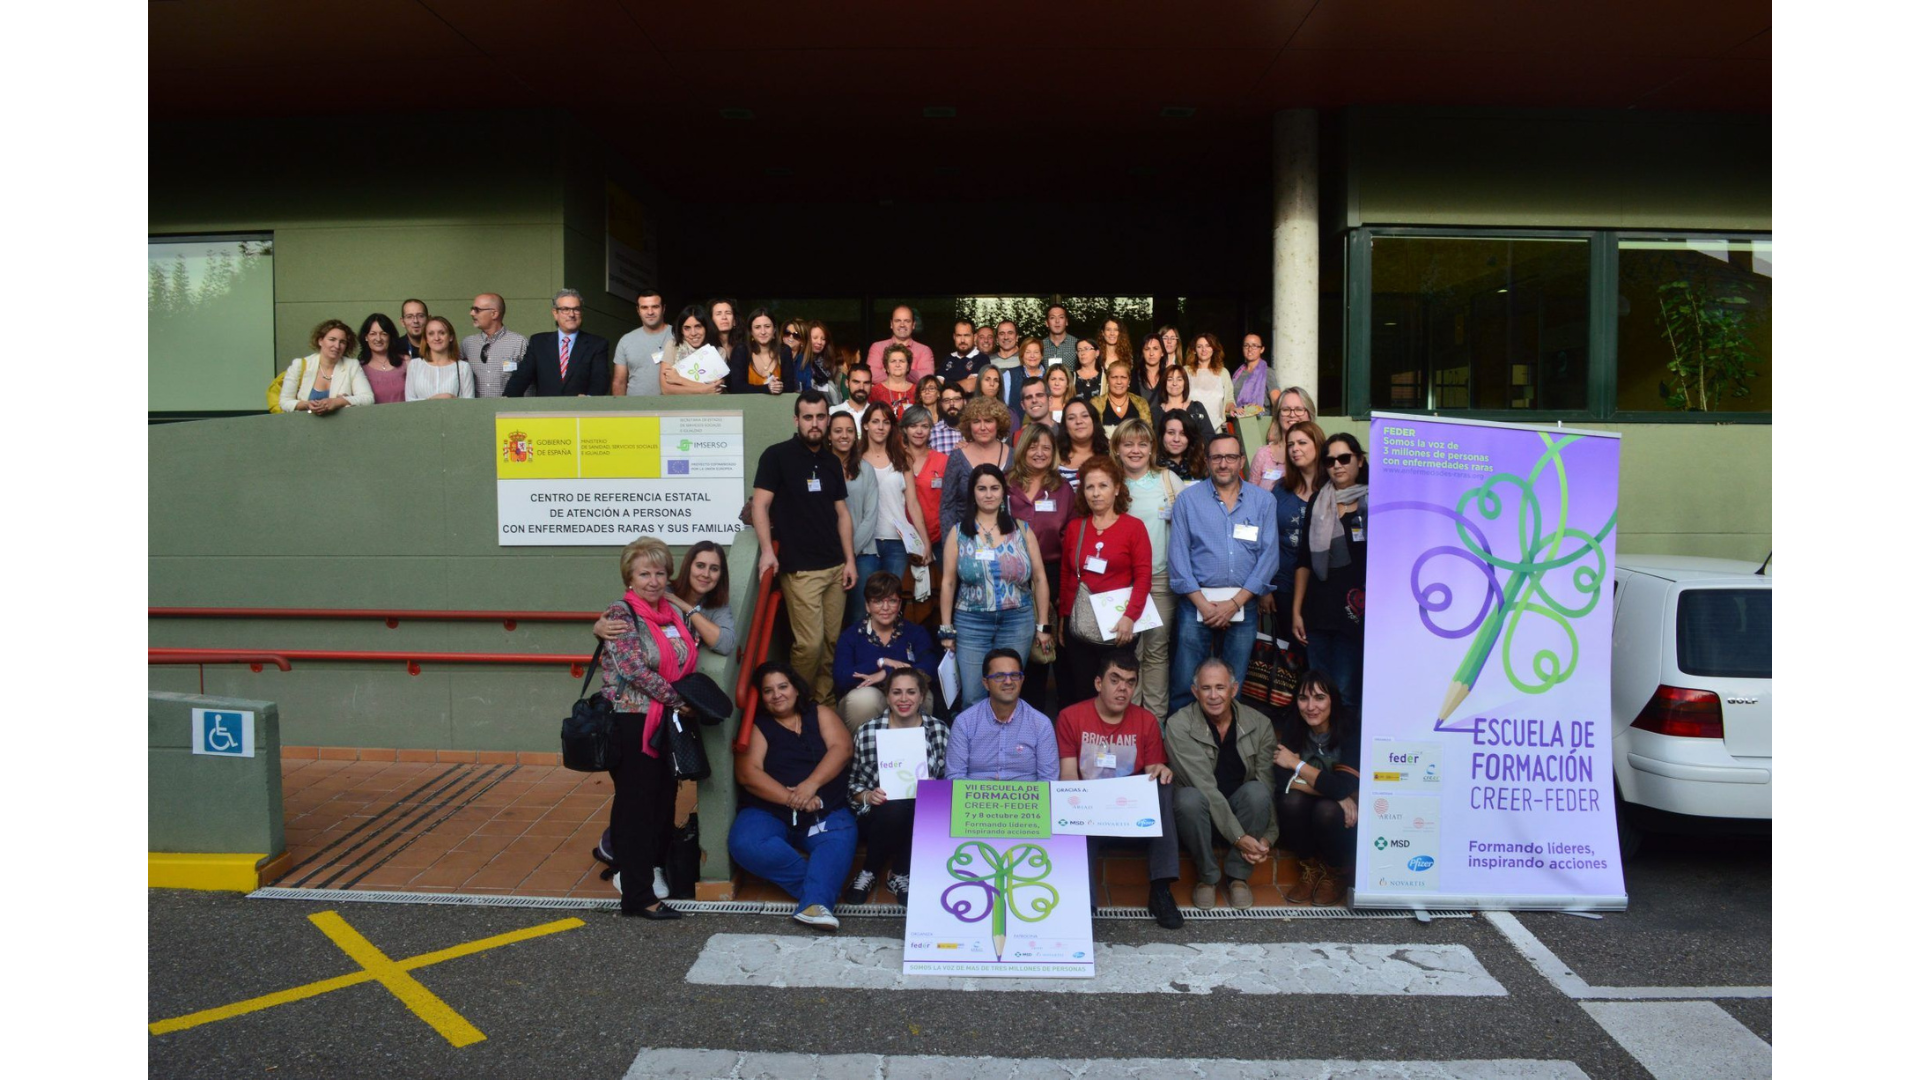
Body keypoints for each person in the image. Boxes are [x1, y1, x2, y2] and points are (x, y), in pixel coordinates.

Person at [598, 536, 698, 920]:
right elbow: (633, 670)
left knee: (661, 802)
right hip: (632, 723)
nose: (653, 580)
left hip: (664, 724)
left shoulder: (672, 616)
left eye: (659, 572)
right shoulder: (620, 615)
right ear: (630, 576)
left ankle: (648, 884)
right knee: (636, 809)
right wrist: (679, 700)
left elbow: (687, 656)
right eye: (645, 573)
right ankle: (637, 896)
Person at [1054, 652, 1183, 928]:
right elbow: (1067, 775)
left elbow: (1151, 771)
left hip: (1129, 816)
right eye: (1115, 680)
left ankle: (1161, 890)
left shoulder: (1146, 721)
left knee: (1163, 787)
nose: (1122, 688)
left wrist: (1161, 771)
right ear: (1099, 683)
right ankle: (1082, 903)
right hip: (1089, 816)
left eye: (1130, 682)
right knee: (1071, 806)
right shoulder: (1070, 717)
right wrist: (1085, 810)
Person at [729, 661, 857, 931]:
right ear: (761, 697)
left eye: (783, 686)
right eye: (768, 690)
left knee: (840, 839)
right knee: (746, 843)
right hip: (769, 810)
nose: (777, 695)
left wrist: (810, 785)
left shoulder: (819, 713)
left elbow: (842, 748)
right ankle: (819, 895)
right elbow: (748, 773)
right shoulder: (758, 725)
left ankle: (815, 900)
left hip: (824, 807)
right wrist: (793, 799)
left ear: (796, 689)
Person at [751, 391, 858, 705]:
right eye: (808, 417)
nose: (815, 424)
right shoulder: (776, 456)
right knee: (808, 646)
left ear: (827, 419)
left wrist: (849, 560)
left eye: (820, 417)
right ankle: (794, 704)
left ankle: (821, 704)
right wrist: (767, 552)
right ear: (797, 420)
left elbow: (842, 514)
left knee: (831, 644)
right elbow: (760, 506)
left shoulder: (830, 461)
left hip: (836, 567)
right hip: (800, 570)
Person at [1167, 431, 1280, 713]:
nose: (1224, 464)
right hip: (1196, 605)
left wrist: (1234, 604)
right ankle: (1183, 746)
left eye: (1230, 457)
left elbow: (1269, 558)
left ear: (1242, 460)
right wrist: (1205, 607)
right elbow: (1179, 561)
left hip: (1243, 605)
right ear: (1206, 462)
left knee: (1234, 684)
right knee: (1186, 682)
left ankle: (1225, 747)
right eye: (1216, 457)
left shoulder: (1263, 502)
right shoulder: (1187, 501)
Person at [1166, 658, 1277, 910]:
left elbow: (1267, 786)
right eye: (1206, 688)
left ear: (1234, 689)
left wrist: (1266, 839)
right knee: (1188, 799)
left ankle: (1238, 877)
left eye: (1220, 687)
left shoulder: (1259, 724)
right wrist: (1239, 837)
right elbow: (1204, 787)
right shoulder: (1179, 725)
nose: (1213, 695)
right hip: (1200, 819)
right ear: (1195, 692)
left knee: (1258, 793)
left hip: (1241, 816)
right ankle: (1207, 877)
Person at [939, 465, 1052, 708]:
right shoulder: (958, 533)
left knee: (1008, 693)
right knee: (973, 697)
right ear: (973, 493)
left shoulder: (1021, 529)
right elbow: (948, 582)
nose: (988, 494)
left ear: (1003, 493)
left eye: (994, 488)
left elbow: (1040, 578)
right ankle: (977, 745)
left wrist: (1043, 626)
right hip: (971, 623)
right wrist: (946, 629)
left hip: (1017, 621)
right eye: (982, 488)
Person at [845, 666, 950, 907]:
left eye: (911, 692)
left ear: (922, 696)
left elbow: (949, 782)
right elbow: (853, 785)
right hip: (877, 815)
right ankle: (873, 870)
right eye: (897, 692)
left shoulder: (939, 731)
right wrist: (868, 795)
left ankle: (899, 872)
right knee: (894, 805)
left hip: (923, 813)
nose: (904, 699)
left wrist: (936, 789)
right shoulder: (868, 731)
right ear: (887, 697)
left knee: (919, 802)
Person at [1056, 455, 1151, 711]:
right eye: (1090, 487)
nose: (1096, 493)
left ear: (1117, 488)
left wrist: (1130, 617)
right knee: (1083, 691)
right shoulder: (1077, 527)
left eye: (1103, 486)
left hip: (1119, 626)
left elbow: (1143, 577)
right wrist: (1065, 617)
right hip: (1080, 626)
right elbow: (1067, 573)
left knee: (1116, 693)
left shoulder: (1134, 527)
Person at [1291, 432, 1368, 718]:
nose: (1337, 465)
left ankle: (1344, 762)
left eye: (1344, 458)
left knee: (1346, 695)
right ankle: (1320, 758)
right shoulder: (1318, 502)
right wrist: (1297, 611)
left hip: (1357, 613)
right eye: (1330, 460)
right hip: (1319, 611)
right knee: (1318, 694)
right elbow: (1304, 561)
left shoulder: (1377, 503)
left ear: (1359, 460)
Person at [1111, 418, 1182, 719]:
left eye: (1142, 444)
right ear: (1117, 448)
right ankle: (1128, 720)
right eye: (1128, 444)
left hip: (1160, 579)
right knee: (1127, 655)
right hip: (1122, 584)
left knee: (1155, 653)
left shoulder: (1168, 480)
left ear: (1152, 448)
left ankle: (1153, 724)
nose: (1135, 450)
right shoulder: (1111, 482)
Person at [1272, 670, 1361, 905]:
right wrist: (1338, 793)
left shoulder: (1350, 728)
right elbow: (1281, 781)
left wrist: (1297, 764)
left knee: (1327, 810)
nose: (1310, 707)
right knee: (1290, 801)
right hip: (1318, 804)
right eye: (1303, 698)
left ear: (1333, 699)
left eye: (1319, 698)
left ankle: (1335, 871)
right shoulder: (1295, 725)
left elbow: (1346, 785)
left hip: (1344, 818)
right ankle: (1310, 868)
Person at [1004, 423, 1074, 709]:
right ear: (1023, 449)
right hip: (1016, 576)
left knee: (1058, 652)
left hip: (1055, 575)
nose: (1040, 452)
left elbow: (1070, 537)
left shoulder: (1063, 488)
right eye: (1034, 446)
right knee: (1027, 653)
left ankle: (1064, 723)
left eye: (1046, 447)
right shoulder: (1007, 484)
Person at [833, 571, 938, 732]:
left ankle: (910, 755)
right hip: (862, 705)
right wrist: (880, 662)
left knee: (923, 695)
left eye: (892, 601)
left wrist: (886, 673)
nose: (886, 608)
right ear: (867, 605)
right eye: (878, 601)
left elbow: (930, 668)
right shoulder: (851, 636)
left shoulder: (915, 632)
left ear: (900, 603)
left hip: (902, 696)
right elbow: (842, 677)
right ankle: (866, 753)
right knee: (865, 699)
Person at [853, 403, 933, 609]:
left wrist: (925, 542)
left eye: (886, 422)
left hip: (896, 543)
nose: (880, 427)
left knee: (890, 606)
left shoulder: (902, 458)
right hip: (864, 543)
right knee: (863, 606)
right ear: (865, 425)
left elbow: (913, 504)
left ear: (892, 427)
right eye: (875, 421)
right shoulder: (854, 459)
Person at [945, 648, 1060, 781]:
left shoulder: (1041, 724)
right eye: (999, 676)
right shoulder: (964, 722)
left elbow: (1048, 780)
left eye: (1014, 675)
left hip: (1025, 800)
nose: (1008, 681)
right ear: (986, 683)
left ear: (1022, 680)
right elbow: (955, 776)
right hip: (975, 800)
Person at [1261, 420, 1327, 634]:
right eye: (1290, 444)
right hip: (1284, 584)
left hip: (1323, 586)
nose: (1295, 449)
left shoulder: (1332, 489)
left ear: (1318, 445)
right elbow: (1265, 541)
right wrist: (1264, 588)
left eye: (1302, 442)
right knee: (1290, 654)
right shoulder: (1280, 489)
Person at [505, 288, 610, 397]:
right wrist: (506, 401)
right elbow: (522, 376)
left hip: (580, 410)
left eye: (576, 309)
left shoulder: (597, 344)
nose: (571, 314)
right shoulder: (538, 342)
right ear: (555, 313)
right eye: (565, 309)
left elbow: (600, 379)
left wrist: (589, 399)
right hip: (546, 410)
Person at [937, 395, 1014, 535]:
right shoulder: (958, 456)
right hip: (965, 538)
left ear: (999, 423)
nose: (983, 427)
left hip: (1005, 537)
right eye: (976, 421)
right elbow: (947, 506)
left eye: (988, 421)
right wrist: (950, 546)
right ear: (969, 425)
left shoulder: (1013, 456)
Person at [899, 405, 947, 625]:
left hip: (937, 539)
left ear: (931, 430)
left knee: (935, 602)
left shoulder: (943, 461)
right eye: (913, 425)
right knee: (905, 598)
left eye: (924, 426)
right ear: (904, 429)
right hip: (901, 541)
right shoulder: (895, 458)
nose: (919, 431)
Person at [829, 411, 878, 623]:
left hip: (863, 552)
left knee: (860, 616)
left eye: (849, 431)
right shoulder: (820, 468)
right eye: (838, 430)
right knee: (833, 619)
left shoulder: (866, 470)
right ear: (828, 435)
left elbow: (871, 515)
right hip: (828, 555)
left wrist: (849, 551)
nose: (844, 435)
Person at [280, 319, 374, 414]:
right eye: (332, 340)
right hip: (304, 426)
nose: (337, 346)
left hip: (342, 427)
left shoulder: (352, 365)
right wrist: (307, 404)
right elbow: (284, 402)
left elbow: (368, 398)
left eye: (342, 342)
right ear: (320, 341)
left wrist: (339, 402)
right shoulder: (299, 365)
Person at [460, 293, 527, 398]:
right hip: (474, 411)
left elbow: (529, 384)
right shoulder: (467, 343)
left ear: (494, 314)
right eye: (472, 309)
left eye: (477, 309)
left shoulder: (519, 342)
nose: (471, 313)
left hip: (507, 411)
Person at [612, 290, 673, 397]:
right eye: (644, 307)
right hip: (636, 409)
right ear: (638, 310)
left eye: (655, 306)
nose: (650, 312)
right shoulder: (626, 340)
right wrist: (621, 411)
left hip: (672, 407)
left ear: (663, 308)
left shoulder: (678, 336)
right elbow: (619, 382)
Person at [404, 316, 476, 400]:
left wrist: (454, 399)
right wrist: (431, 401)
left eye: (442, 333)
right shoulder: (414, 365)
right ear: (426, 339)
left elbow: (469, 404)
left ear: (451, 337)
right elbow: (409, 401)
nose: (437, 338)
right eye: (431, 334)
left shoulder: (463, 367)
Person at [724, 308, 793, 395]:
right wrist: (767, 388)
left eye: (767, 326)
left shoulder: (784, 351)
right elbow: (736, 388)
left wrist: (779, 387)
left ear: (774, 329)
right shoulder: (741, 350)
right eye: (757, 327)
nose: (763, 332)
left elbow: (790, 388)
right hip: (746, 407)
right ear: (751, 331)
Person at [661, 304, 725, 395]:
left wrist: (679, 380)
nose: (693, 333)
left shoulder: (719, 352)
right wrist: (704, 389)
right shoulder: (673, 345)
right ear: (681, 330)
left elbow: (716, 390)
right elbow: (666, 390)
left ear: (706, 328)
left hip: (708, 407)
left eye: (698, 326)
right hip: (677, 406)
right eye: (687, 328)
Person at [867, 305, 935, 382]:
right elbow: (870, 374)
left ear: (913, 325)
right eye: (898, 321)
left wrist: (890, 371)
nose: (902, 325)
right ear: (891, 324)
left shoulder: (924, 350)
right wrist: (908, 373)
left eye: (907, 321)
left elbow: (927, 378)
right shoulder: (877, 347)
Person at [1154, 364, 1215, 449]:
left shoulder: (1197, 408)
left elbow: (1210, 437)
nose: (1174, 383)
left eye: (1179, 379)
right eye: (1170, 379)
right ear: (1164, 383)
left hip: (1194, 459)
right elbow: (1154, 441)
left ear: (1185, 383)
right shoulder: (1156, 412)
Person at [1183, 333, 1234, 430]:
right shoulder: (1186, 371)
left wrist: (1233, 408)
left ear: (1213, 349)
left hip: (1216, 430)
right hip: (1191, 430)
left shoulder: (1223, 372)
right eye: (1199, 346)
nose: (1204, 350)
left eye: (1208, 346)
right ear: (1194, 350)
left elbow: (1229, 401)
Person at [1056, 398, 1109, 491]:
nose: (1078, 421)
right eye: (1071, 418)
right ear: (1065, 426)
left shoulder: (1110, 455)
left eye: (1084, 416)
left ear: (1094, 421)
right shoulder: (1054, 458)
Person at [356, 313, 408, 404]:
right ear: (366, 337)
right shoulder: (358, 368)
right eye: (373, 334)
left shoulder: (406, 362)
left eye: (384, 334)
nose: (378, 338)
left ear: (390, 337)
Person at [1091, 361, 1150, 436]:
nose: (1119, 382)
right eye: (1114, 377)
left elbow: (1148, 434)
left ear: (1129, 380)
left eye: (1123, 377)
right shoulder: (1096, 403)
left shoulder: (1141, 403)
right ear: (1107, 380)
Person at [936, 318, 989, 393]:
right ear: (954, 337)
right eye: (958, 335)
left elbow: (970, 387)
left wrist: (945, 384)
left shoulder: (982, 359)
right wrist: (963, 382)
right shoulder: (947, 359)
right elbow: (937, 387)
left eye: (966, 335)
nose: (962, 340)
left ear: (975, 337)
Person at [795, 321, 843, 403]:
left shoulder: (830, 364)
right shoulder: (799, 362)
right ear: (807, 339)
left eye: (823, 339)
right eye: (815, 338)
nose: (819, 342)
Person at [1231, 333, 1273, 418]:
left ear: (1262, 349)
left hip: (1260, 423)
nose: (1250, 349)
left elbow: (1276, 401)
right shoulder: (1237, 374)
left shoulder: (1268, 372)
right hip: (1238, 422)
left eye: (1254, 346)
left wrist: (1275, 425)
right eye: (1246, 345)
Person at [870, 344, 918, 418]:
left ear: (908, 367)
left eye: (901, 361)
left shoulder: (917, 390)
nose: (897, 365)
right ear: (887, 367)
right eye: (893, 361)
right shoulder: (875, 391)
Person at [830, 366, 873, 434]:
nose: (861, 387)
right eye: (856, 382)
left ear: (871, 385)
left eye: (866, 383)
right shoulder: (833, 412)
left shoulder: (876, 415)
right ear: (847, 383)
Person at [930, 384, 967, 453]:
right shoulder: (932, 433)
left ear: (965, 402)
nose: (952, 404)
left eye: (956, 399)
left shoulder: (974, 430)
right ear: (941, 404)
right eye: (946, 400)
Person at [1069, 337, 1104, 404]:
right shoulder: (1071, 377)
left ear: (1097, 353)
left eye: (1086, 349)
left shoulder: (1106, 376)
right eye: (1079, 350)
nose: (1082, 353)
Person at [1135, 335, 1168, 406]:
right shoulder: (1133, 376)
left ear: (1162, 352)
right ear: (1142, 353)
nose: (1151, 353)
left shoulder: (1168, 375)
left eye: (1155, 348)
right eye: (1147, 349)